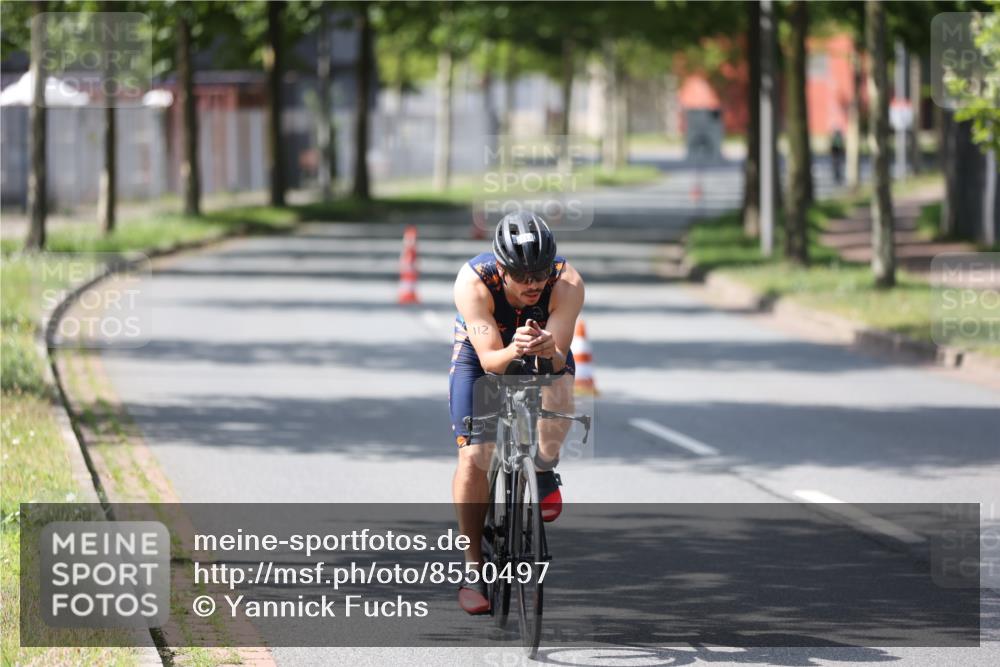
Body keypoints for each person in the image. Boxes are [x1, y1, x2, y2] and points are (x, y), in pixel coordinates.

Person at [449, 211, 584, 614]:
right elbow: (491, 362)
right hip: (485, 352)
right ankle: (473, 566)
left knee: (559, 388)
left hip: (541, 345)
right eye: (522, 275)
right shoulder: (473, 283)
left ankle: (542, 469)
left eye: (540, 273)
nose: (533, 283)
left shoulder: (568, 283)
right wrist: (515, 349)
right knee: (475, 456)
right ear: (501, 269)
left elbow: (558, 359)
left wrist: (544, 347)